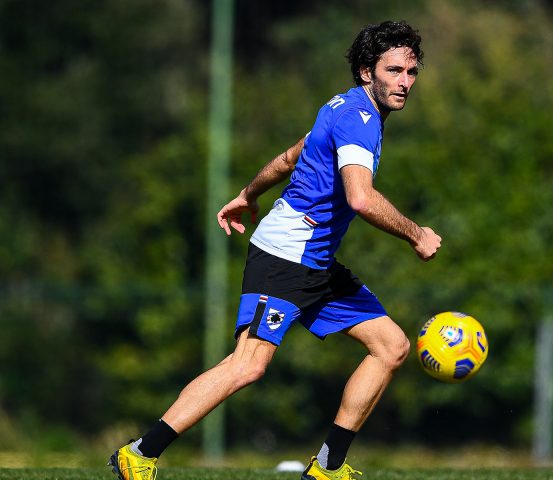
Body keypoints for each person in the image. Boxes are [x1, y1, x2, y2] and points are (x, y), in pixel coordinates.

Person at [109, 20, 441, 480]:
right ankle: (139, 454)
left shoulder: (341, 107)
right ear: (367, 72)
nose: (405, 82)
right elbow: (360, 198)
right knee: (248, 365)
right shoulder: (359, 120)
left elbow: (291, 157)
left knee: (391, 346)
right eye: (394, 71)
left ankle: (327, 468)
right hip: (286, 255)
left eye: (411, 72)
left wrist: (249, 193)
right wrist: (416, 234)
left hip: (316, 262)